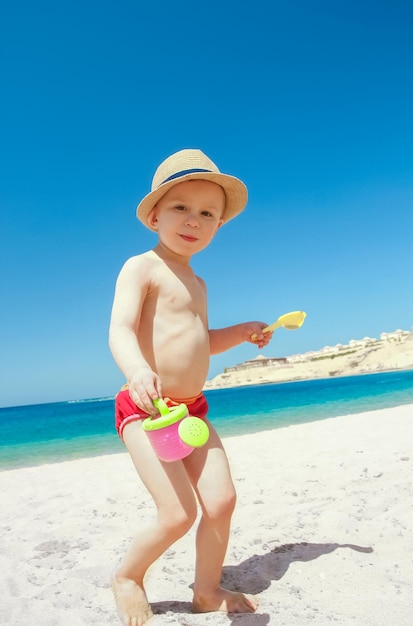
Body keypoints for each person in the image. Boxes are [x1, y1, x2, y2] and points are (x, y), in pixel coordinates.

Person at [109, 148, 272, 625]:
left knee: (221, 501)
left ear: (218, 226)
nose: (193, 220)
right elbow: (120, 328)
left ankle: (205, 591)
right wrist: (138, 369)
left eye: (207, 213)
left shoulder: (198, 283)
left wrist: (240, 332)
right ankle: (128, 577)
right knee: (177, 514)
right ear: (155, 215)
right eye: (181, 207)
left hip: (192, 410)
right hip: (149, 409)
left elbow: (201, 339)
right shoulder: (142, 266)